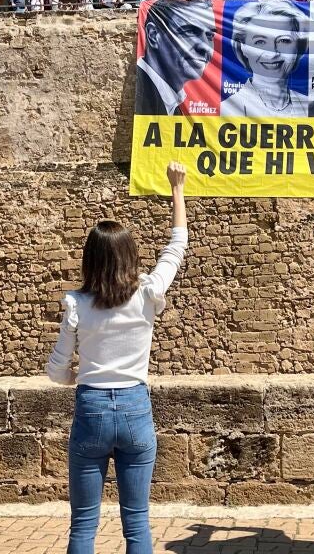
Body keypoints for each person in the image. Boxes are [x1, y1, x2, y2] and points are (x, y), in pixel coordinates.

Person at [47, 161, 189, 554]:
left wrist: (78, 378)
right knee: (137, 522)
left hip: (91, 407)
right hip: (134, 407)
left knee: (83, 526)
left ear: (90, 259)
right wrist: (177, 189)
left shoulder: (76, 303)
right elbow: (176, 247)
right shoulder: (148, 292)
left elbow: (56, 369)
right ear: (130, 256)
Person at [223, 0, 309, 117]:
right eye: (260, 42)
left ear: (298, 47)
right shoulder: (227, 110)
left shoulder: (312, 108)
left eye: (284, 40)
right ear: (242, 46)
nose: (272, 54)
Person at [135, 0, 216, 115]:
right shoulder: (140, 90)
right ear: (153, 35)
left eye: (210, 35)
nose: (205, 47)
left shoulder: (172, 101)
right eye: (189, 31)